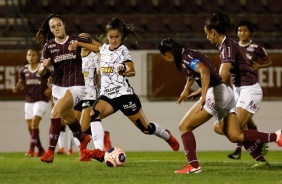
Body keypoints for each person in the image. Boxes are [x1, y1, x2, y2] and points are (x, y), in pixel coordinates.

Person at [158, 37, 282, 174]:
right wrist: (187, 89)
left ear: (167, 53)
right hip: (225, 91)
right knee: (235, 135)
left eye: (164, 56)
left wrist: (203, 96)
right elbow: (193, 72)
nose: (165, 59)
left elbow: (204, 71)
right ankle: (276, 136)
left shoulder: (186, 58)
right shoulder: (187, 54)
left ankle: (194, 166)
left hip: (216, 93)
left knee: (184, 126)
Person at [68, 18, 180, 162]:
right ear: (107, 36)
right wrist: (77, 43)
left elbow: (131, 69)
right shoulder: (103, 49)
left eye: (117, 37)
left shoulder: (123, 51)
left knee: (146, 128)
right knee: (94, 114)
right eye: (111, 37)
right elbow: (94, 46)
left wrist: (125, 71)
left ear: (122, 37)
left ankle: (166, 135)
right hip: (107, 96)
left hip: (124, 95)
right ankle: (100, 151)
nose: (114, 40)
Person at [205, 12, 274, 168]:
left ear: (214, 32)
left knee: (236, 130)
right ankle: (261, 158)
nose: (207, 37)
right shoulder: (225, 45)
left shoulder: (228, 45)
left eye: (207, 33)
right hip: (238, 90)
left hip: (249, 89)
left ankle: (275, 137)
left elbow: (222, 74)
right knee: (219, 127)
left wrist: (205, 89)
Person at [36, 14, 92, 163]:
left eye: (58, 25)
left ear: (64, 25)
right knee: (69, 118)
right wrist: (43, 66)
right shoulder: (49, 46)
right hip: (58, 86)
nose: (57, 28)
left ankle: (50, 152)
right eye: (53, 27)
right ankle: (83, 138)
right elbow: (40, 72)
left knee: (55, 112)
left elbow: (95, 45)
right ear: (51, 30)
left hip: (76, 85)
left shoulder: (75, 40)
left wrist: (81, 45)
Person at [226, 20, 272, 159]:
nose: (242, 33)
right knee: (247, 121)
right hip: (236, 87)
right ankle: (258, 141)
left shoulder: (256, 47)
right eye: (239, 30)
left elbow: (269, 61)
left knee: (238, 123)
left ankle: (238, 150)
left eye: (245, 30)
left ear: (250, 32)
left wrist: (259, 66)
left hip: (249, 86)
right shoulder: (233, 47)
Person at [72, 33, 112, 159]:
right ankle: (103, 135)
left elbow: (100, 70)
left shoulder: (94, 56)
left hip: (90, 94)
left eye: (86, 39)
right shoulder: (74, 56)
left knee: (83, 128)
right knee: (75, 128)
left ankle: (83, 153)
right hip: (77, 94)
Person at [13, 48, 52, 157]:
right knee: (30, 127)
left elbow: (53, 79)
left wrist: (50, 88)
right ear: (26, 57)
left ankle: (31, 150)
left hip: (41, 99)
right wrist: (17, 87)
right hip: (29, 100)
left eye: (33, 55)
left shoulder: (43, 69)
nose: (31, 57)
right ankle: (40, 149)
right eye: (29, 55)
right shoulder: (24, 70)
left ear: (37, 56)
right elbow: (21, 82)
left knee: (34, 123)